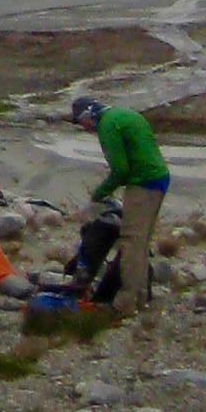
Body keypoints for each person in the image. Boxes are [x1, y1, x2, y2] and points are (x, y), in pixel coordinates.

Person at [72, 95, 169, 314]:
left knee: (131, 242)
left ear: (89, 114)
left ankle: (126, 303)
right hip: (159, 178)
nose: (83, 127)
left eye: (81, 121)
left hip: (143, 183)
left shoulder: (107, 126)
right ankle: (141, 297)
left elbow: (120, 169)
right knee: (142, 241)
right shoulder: (122, 114)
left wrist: (99, 193)